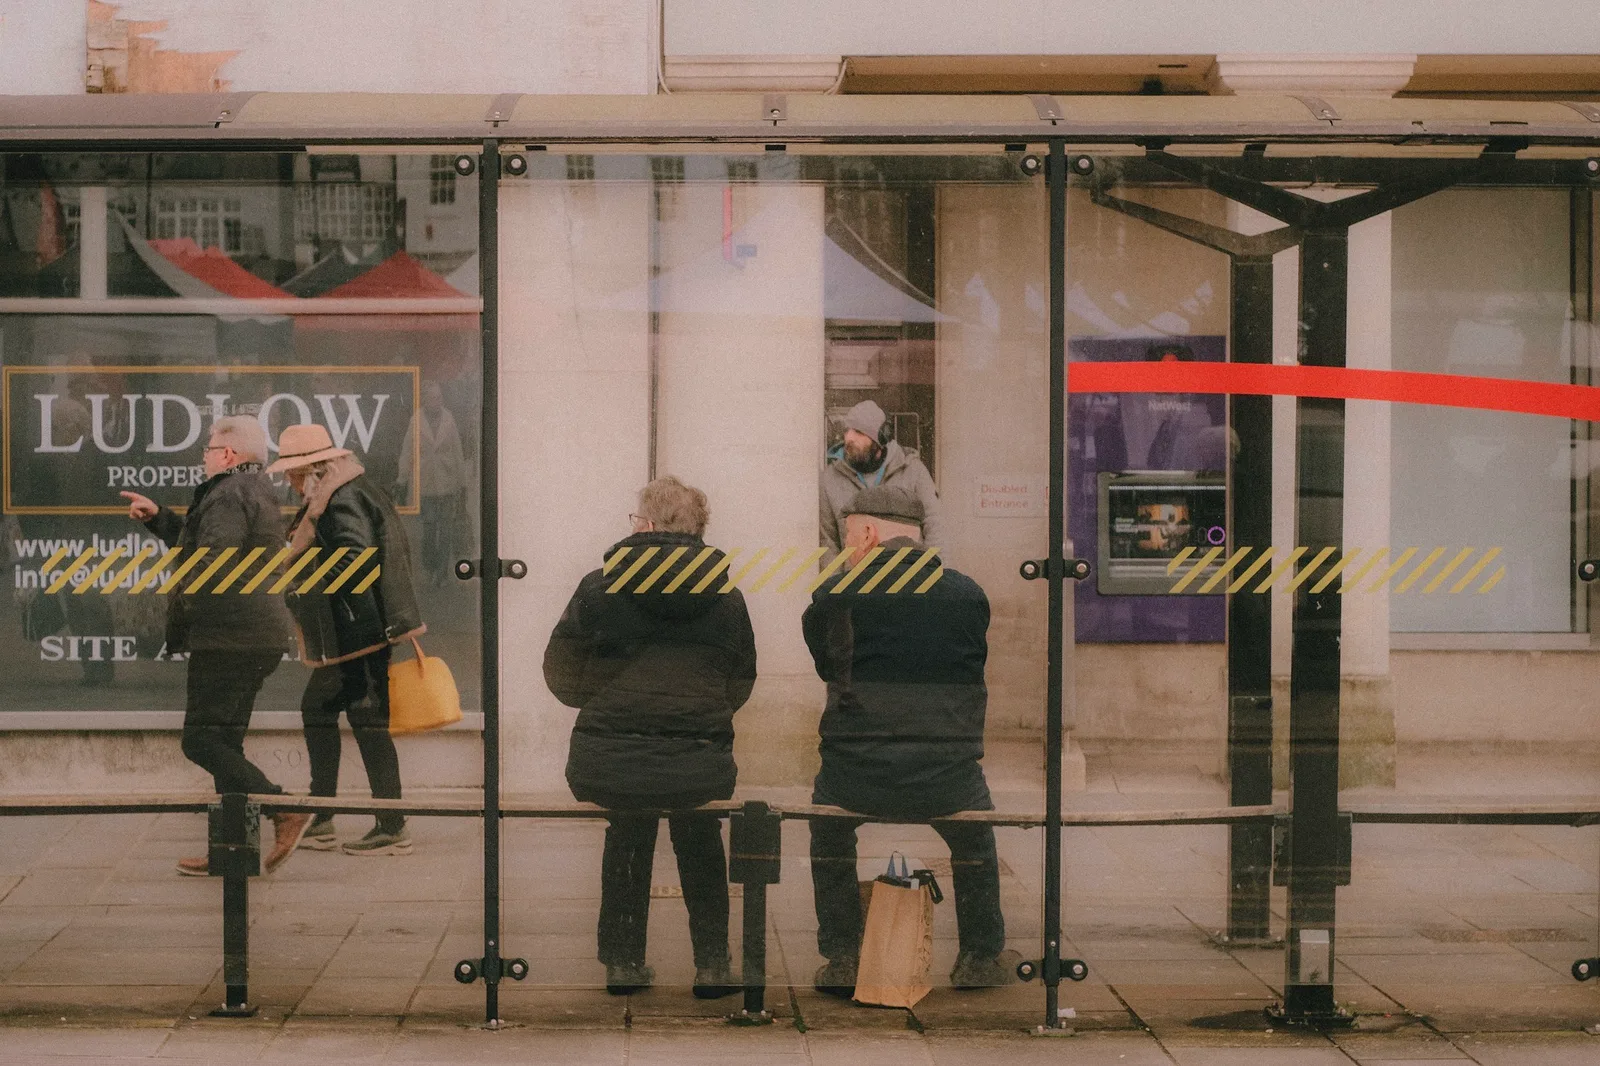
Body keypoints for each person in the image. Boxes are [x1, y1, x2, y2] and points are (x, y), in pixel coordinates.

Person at [543, 476, 757, 999]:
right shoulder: (726, 596)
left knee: (628, 832)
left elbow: (561, 672)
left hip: (612, 760)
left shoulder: (599, 588)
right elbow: (741, 678)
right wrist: (698, 715)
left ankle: (623, 963)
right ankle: (712, 965)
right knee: (701, 837)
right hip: (697, 759)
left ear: (648, 524)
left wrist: (605, 704)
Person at [802, 485, 1017, 996]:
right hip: (946, 773)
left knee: (828, 832)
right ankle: (979, 957)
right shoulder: (967, 595)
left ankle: (843, 957)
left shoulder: (836, 596)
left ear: (869, 534)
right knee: (975, 838)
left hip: (857, 772)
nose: (848, 549)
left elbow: (828, 665)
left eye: (849, 538)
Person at [120, 416, 310, 877]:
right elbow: (211, 547)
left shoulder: (226, 492)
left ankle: (283, 808)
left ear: (227, 454)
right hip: (256, 633)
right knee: (225, 742)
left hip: (229, 635)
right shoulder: (256, 489)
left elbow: (212, 562)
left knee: (201, 740)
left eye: (207, 449)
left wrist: (175, 603)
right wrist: (161, 519)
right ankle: (230, 851)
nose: (203, 457)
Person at [268, 423, 425, 857]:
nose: (289, 481)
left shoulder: (340, 499)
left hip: (357, 631)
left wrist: (306, 582)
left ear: (314, 470)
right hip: (362, 628)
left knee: (349, 717)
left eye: (293, 473)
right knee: (350, 717)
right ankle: (335, 817)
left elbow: (356, 560)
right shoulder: (347, 490)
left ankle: (379, 824)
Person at [819, 400, 942, 558]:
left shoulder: (913, 471)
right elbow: (828, 543)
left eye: (859, 432)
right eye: (847, 430)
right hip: (855, 574)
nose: (849, 437)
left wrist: (937, 571)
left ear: (880, 440)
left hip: (907, 571)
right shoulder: (829, 479)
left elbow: (935, 526)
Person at [395, 381, 468, 585]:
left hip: (447, 483)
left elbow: (457, 451)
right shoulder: (416, 421)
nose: (437, 401)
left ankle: (442, 573)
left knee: (445, 531)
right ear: (425, 400)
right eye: (433, 398)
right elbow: (408, 451)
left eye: (439, 397)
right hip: (425, 484)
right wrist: (402, 479)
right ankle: (430, 567)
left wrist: (462, 482)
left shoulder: (449, 419)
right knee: (428, 530)